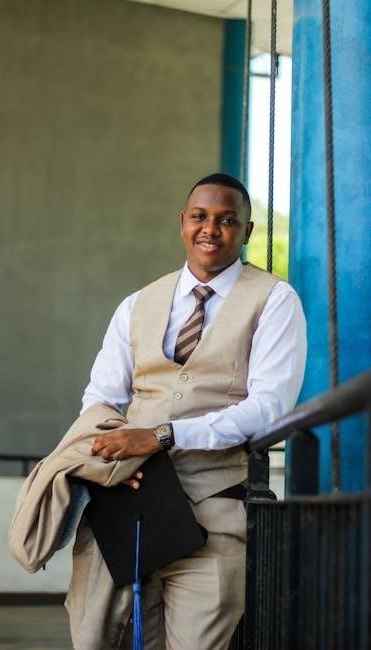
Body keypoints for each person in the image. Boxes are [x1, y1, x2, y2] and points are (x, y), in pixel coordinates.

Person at [81, 172, 306, 649]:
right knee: (101, 637)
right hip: (129, 504)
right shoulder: (137, 304)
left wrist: (162, 435)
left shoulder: (274, 299)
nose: (211, 229)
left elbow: (269, 407)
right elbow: (100, 399)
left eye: (227, 220)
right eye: (200, 217)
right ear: (182, 222)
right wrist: (113, 456)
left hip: (216, 510)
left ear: (246, 231)